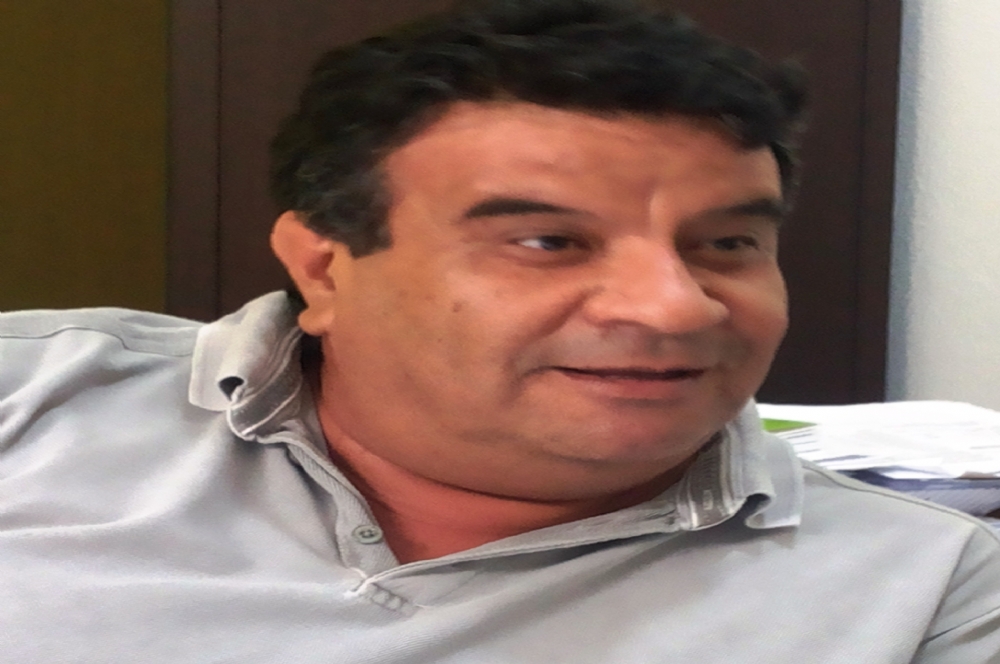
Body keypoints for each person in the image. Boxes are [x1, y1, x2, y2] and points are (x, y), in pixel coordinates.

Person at [1, 0, 998, 661]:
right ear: (323, 269)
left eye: (727, 244)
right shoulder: (34, 398)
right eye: (548, 242)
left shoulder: (928, 591)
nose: (674, 306)